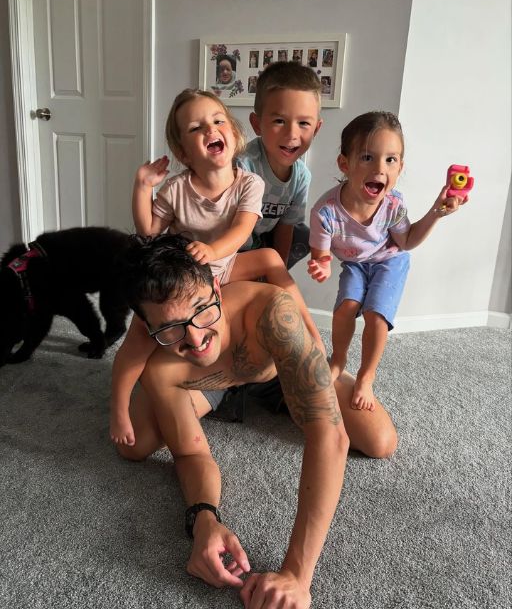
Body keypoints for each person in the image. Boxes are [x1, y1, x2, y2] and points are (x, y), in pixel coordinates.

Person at [115, 233, 397, 609]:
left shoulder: (271, 310)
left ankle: (307, 384)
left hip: (275, 371)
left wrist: (297, 575)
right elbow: (190, 455)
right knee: (136, 446)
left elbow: (330, 437)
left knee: (379, 440)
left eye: (202, 310)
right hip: (207, 383)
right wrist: (203, 518)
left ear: (217, 288)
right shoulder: (160, 364)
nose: (195, 339)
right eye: (170, 327)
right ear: (146, 327)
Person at [111, 89, 324, 446]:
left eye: (217, 121)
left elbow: (242, 230)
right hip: (188, 282)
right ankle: (118, 407)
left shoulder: (249, 183)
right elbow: (147, 232)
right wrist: (142, 186)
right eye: (196, 128)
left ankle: (311, 332)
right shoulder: (176, 189)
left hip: (225, 264)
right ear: (183, 152)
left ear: (234, 134)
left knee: (271, 259)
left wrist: (212, 251)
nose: (210, 129)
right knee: (138, 337)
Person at [308, 111, 467, 411]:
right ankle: (338, 358)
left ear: (400, 166)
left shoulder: (393, 204)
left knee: (376, 315)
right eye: (367, 157)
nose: (380, 169)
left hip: (390, 260)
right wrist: (322, 264)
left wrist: (436, 212)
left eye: (390, 160)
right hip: (355, 264)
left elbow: (406, 242)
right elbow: (322, 254)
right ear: (345, 164)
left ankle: (366, 376)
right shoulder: (326, 211)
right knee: (346, 308)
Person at [237, 61, 323, 269]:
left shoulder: (301, 176)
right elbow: (224, 227)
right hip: (229, 244)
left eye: (304, 123)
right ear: (257, 124)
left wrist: (280, 272)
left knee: (302, 233)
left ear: (316, 129)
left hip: (262, 240)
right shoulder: (243, 165)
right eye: (279, 121)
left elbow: (285, 227)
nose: (292, 134)